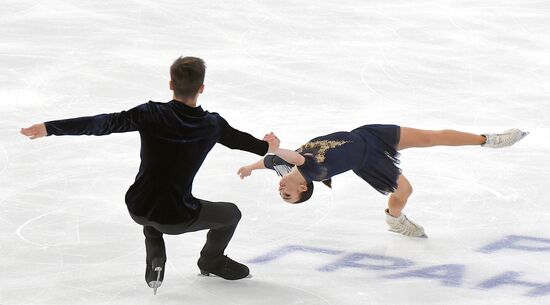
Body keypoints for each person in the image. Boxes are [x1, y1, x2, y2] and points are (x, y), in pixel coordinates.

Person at [20, 56, 280, 295]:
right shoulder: (212, 125)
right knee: (231, 213)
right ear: (201, 88)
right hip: (177, 217)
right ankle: (210, 260)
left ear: (170, 84)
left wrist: (49, 128)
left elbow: (102, 123)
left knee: (155, 201)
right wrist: (269, 145)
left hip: (138, 205)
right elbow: (249, 145)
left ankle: (154, 246)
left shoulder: (149, 113)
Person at [238, 125, 528, 238]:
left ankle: (488, 140)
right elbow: (293, 157)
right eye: (287, 196)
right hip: (369, 160)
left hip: (368, 135)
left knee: (431, 137)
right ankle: (394, 217)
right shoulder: (313, 173)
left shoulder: (280, 167)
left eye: (282, 195)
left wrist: (251, 166)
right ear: (303, 189)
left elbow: (271, 161)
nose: (281, 192)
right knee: (406, 190)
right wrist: (276, 147)